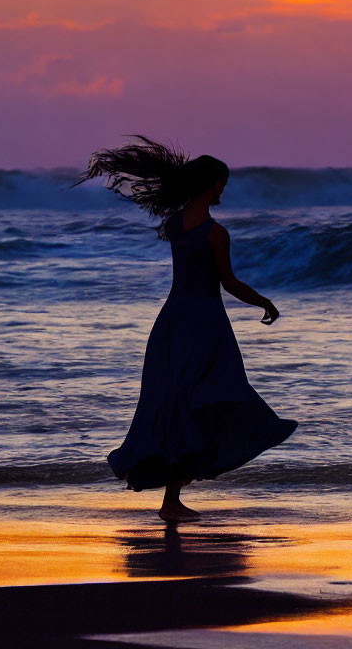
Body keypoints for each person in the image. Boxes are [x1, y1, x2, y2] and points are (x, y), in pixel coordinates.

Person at [71, 135, 298, 522]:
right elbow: (229, 283)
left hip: (172, 322)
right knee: (216, 397)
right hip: (205, 325)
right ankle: (172, 499)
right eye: (221, 182)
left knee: (175, 405)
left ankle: (171, 500)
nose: (223, 189)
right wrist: (265, 303)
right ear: (211, 184)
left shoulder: (174, 224)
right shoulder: (215, 233)